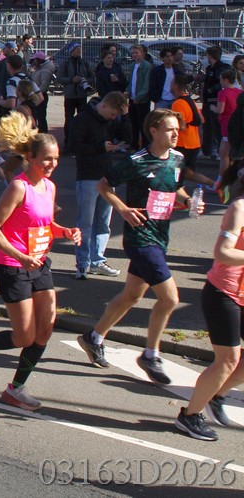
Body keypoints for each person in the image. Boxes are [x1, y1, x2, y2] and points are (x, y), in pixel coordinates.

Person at [78, 109, 214, 382]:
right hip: (140, 239)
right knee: (170, 298)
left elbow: (176, 189)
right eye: (169, 129)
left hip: (160, 237)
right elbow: (104, 186)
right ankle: (150, 355)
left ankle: (94, 337)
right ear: (153, 131)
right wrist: (123, 209)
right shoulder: (136, 161)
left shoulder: (177, 159)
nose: (175, 134)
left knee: (132, 296)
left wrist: (188, 201)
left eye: (177, 129)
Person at [0, 113, 80, 412]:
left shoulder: (49, 187)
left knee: (45, 330)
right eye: (47, 159)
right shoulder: (18, 187)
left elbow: (45, 225)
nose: (52, 164)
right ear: (30, 157)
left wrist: (65, 231)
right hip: (13, 266)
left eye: (56, 158)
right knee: (24, 336)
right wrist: (20, 256)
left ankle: (15, 388)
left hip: (39, 264)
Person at [174, 160, 244, 441]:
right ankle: (189, 416)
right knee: (228, 359)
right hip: (223, 292)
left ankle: (217, 395)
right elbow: (222, 253)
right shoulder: (239, 208)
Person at [67, 91, 128, 279]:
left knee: (103, 223)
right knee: (85, 224)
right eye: (113, 114)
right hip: (88, 176)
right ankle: (82, 264)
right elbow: (73, 146)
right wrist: (101, 147)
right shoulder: (82, 119)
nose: (113, 118)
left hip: (107, 178)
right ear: (104, 105)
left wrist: (125, 116)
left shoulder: (110, 120)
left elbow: (128, 136)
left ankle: (97, 261)